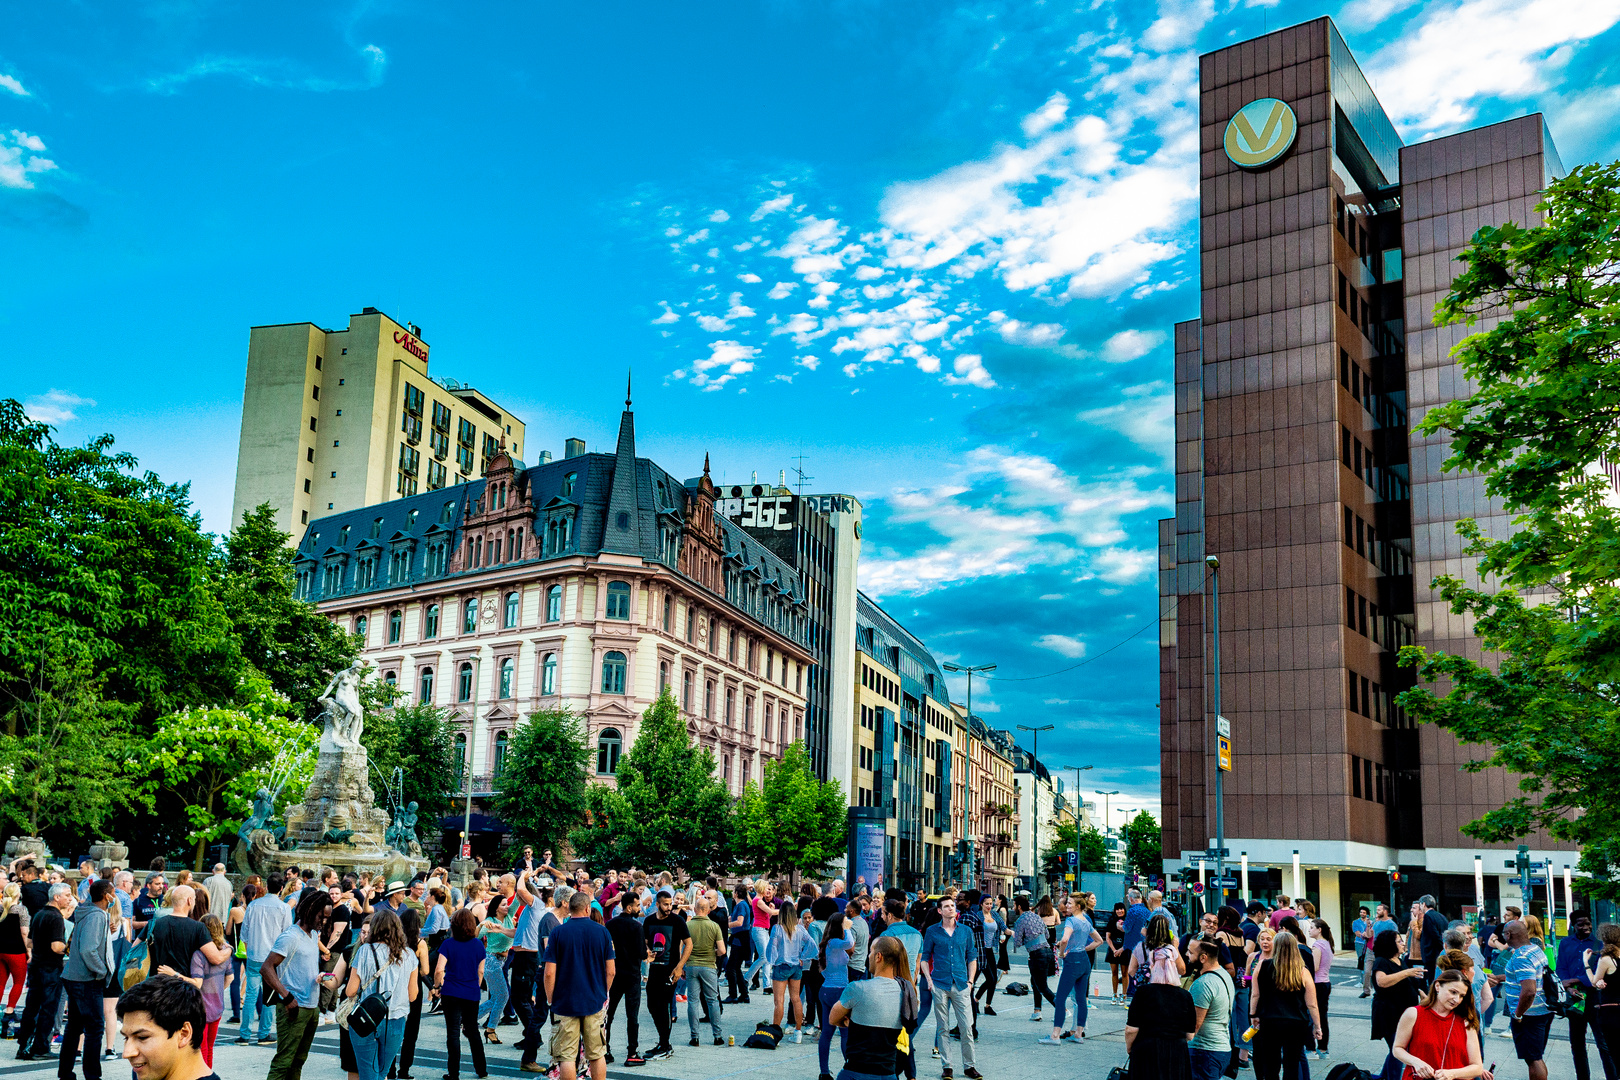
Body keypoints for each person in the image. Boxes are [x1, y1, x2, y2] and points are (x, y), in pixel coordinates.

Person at [259, 888, 332, 1080]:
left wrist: (320, 976)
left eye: (326, 918)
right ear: (309, 910)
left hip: (310, 1006)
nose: (323, 922)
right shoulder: (291, 936)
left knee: (298, 1060)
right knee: (283, 1062)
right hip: (293, 1008)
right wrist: (287, 996)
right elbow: (266, 968)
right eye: (320, 917)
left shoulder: (311, 935)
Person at [542, 890, 615, 1080]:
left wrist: (551, 999)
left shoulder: (558, 932)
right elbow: (611, 971)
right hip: (593, 1001)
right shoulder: (602, 932)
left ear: (570, 908)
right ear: (588, 908)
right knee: (597, 1054)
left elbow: (549, 972)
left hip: (565, 1002)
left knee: (566, 1056)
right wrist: (602, 992)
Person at [346, 908, 420, 1080]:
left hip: (366, 1019)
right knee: (382, 1072)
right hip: (395, 1020)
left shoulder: (364, 951)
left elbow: (350, 991)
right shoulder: (409, 956)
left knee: (367, 1072)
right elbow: (412, 996)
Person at [828, 935, 912, 1080]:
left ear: (878, 957)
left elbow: (833, 1018)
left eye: (871, 952)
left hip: (856, 1072)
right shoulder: (906, 992)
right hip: (888, 1073)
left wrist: (850, 1022)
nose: (869, 956)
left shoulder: (857, 988)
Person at [920, 896, 982, 1080]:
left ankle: (969, 1066)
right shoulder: (932, 931)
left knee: (966, 1027)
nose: (951, 909)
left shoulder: (965, 931)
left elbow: (972, 957)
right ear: (939, 911)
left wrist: (971, 982)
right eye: (946, 906)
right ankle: (947, 1067)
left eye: (952, 906)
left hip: (962, 984)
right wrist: (929, 980)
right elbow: (924, 957)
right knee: (942, 1027)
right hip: (940, 984)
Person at [117, 976, 222, 1080]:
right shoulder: (150, 1072)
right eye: (126, 1038)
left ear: (184, 1034)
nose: (127, 1053)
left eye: (142, 1037)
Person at [60, 877, 114, 1080]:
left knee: (74, 1027)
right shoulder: (96, 915)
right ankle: (92, 1075)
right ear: (106, 896)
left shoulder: (89, 913)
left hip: (76, 977)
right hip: (86, 979)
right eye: (113, 893)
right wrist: (100, 971)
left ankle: (65, 1073)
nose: (115, 897)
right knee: (94, 1028)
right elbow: (88, 949)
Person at [1249, 930, 1320, 1080]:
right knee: (1292, 1064)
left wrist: (1253, 1015)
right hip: (1296, 1022)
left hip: (1269, 1020)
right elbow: (1312, 1003)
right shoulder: (1302, 971)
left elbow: (1255, 994)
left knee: (1271, 1064)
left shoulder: (1262, 965)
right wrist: (1317, 1026)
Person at [1391, 969, 1487, 1080]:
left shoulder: (1465, 1021)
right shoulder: (1413, 1014)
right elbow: (1397, 1048)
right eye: (1453, 992)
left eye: (1461, 996)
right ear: (1437, 986)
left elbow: (1477, 1067)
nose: (1456, 999)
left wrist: (1452, 1074)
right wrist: (1416, 1062)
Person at [15, 882, 71, 1061]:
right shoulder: (56, 918)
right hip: (50, 968)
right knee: (48, 1008)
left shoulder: (39, 914)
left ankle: (24, 1044)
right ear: (57, 897)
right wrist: (69, 947)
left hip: (36, 967)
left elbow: (29, 942)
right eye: (67, 895)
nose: (70, 899)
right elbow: (56, 947)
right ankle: (40, 1047)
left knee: (31, 1007)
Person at [1560, 913, 1617, 1080]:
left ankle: (1612, 1077)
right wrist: (1568, 987)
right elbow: (1561, 967)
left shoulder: (1599, 944)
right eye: (1580, 924)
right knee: (1577, 1045)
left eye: (1588, 924)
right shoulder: (1565, 943)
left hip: (1595, 998)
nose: (1585, 927)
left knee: (1603, 1044)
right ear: (1572, 925)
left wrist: (1575, 980)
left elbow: (1602, 972)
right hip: (1575, 999)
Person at [238, 872, 293, 1046]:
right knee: (270, 996)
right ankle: (264, 1033)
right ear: (281, 888)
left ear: (267, 886)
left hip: (254, 955)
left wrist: (250, 950)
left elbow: (244, 933)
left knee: (250, 995)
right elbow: (287, 935)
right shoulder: (284, 908)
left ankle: (244, 1034)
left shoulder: (253, 905)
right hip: (273, 957)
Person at [434, 907, 487, 1080]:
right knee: (473, 1031)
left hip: (451, 992)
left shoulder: (448, 944)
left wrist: (437, 986)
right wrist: (475, 986)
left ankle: (453, 1073)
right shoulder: (479, 944)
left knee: (453, 1032)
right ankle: (481, 1069)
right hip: (471, 992)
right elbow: (481, 972)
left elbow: (439, 970)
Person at [1042, 893, 1103, 1044]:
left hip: (1072, 961)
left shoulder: (1071, 920)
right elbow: (1099, 940)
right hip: (1084, 961)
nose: (1067, 906)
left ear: (1078, 906)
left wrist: (1062, 953)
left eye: (1069, 903)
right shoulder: (1086, 921)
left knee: (1060, 998)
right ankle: (1078, 1034)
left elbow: (1064, 939)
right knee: (1081, 999)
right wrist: (1084, 948)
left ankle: (1055, 1036)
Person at [1125, 958, 1197, 1080]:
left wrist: (1130, 1048)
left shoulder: (1143, 992)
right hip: (1176, 1052)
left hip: (1146, 1050)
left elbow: (1131, 1030)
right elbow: (1190, 1035)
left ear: (1153, 968)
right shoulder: (1185, 996)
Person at [1501, 919, 1554, 1080]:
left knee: (1533, 1059)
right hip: (1543, 1010)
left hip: (1529, 1015)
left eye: (1504, 933)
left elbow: (1529, 991)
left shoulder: (1521, 957)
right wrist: (1499, 977)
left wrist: (1518, 1014)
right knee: (1536, 1056)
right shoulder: (1535, 950)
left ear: (1508, 935)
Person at [642, 888, 690, 1059]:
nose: (669, 907)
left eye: (670, 904)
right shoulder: (648, 921)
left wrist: (679, 967)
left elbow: (689, 944)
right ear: (657, 904)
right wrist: (647, 951)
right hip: (655, 969)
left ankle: (665, 1045)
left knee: (665, 1006)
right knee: (651, 1004)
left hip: (671, 970)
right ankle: (663, 1041)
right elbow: (646, 943)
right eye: (665, 904)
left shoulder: (677, 920)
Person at [604, 891, 645, 1067]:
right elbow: (642, 953)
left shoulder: (610, 925)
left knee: (608, 1015)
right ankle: (632, 1052)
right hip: (632, 975)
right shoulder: (637, 927)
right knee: (632, 1016)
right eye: (637, 905)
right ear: (629, 907)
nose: (639, 908)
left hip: (614, 974)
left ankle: (605, 1050)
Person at [816, 912, 857, 1080]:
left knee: (827, 1031)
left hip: (827, 990)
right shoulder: (834, 943)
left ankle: (824, 1072)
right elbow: (850, 942)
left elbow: (824, 969)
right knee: (845, 1032)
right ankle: (850, 1068)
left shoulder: (829, 945)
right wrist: (847, 928)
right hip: (838, 991)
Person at [1189, 937, 1236, 1080]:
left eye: (1190, 953)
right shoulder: (1224, 974)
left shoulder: (1203, 984)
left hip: (1204, 1051)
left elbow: (1194, 1025)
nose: (1186, 955)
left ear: (1203, 958)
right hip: (1221, 1048)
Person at [1373, 928, 1427, 1049]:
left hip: (1402, 1011)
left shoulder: (1400, 960)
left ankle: (1388, 1069)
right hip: (1389, 1013)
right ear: (1390, 945)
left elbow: (1406, 982)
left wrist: (1420, 993)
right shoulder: (1381, 961)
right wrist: (1407, 972)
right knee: (1398, 1050)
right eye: (1399, 942)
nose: (1403, 944)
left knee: (1396, 1052)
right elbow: (1382, 982)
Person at [767, 899, 812, 1043]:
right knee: (796, 999)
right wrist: (803, 957)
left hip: (781, 965)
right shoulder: (800, 929)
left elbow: (772, 949)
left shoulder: (777, 929)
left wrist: (772, 961)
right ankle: (798, 1032)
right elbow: (812, 944)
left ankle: (775, 1033)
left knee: (779, 1001)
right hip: (796, 966)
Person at [685, 893, 726, 1048]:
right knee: (712, 1000)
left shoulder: (687, 925)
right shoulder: (714, 926)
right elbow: (722, 950)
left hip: (691, 965)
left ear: (695, 909)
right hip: (709, 966)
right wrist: (712, 952)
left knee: (693, 1001)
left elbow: (680, 949)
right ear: (708, 911)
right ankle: (717, 1036)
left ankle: (694, 1037)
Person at [476, 893, 514, 1047]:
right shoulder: (490, 921)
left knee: (497, 998)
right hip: (491, 961)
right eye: (504, 904)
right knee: (503, 996)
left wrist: (527, 875)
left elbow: (517, 899)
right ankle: (490, 1029)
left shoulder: (509, 916)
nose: (507, 907)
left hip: (501, 961)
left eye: (507, 904)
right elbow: (475, 936)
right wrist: (481, 924)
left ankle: (469, 1019)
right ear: (496, 908)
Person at [1011, 895, 1055, 1022]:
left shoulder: (1020, 921)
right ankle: (1037, 1011)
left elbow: (1017, 943)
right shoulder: (1036, 917)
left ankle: (1062, 1010)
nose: (1013, 908)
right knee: (1035, 982)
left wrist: (1016, 935)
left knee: (1042, 986)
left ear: (1019, 906)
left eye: (1014, 905)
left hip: (1036, 954)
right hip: (1047, 952)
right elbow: (1046, 934)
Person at [1586, 923, 1620, 1069]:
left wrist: (1586, 963)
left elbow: (1594, 982)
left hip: (1610, 1012)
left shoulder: (1606, 959)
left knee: (1615, 1052)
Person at [0, 883, 28, 1039]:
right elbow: (24, 933)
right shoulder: (21, 910)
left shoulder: (0, 908)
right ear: (19, 894)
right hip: (16, 950)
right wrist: (29, 951)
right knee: (18, 982)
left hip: (1, 950)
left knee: (1, 982)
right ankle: (9, 1011)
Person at [1307, 919, 1336, 1058]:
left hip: (1316, 983)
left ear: (1319, 930)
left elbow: (1315, 967)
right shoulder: (1328, 944)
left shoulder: (1318, 945)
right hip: (1325, 982)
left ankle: (1311, 1049)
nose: (1309, 930)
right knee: (1322, 1017)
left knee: (1311, 1015)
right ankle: (1323, 1049)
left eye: (1312, 927)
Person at [747, 881, 780, 994]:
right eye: (766, 888)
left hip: (764, 929)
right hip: (759, 930)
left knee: (766, 958)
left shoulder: (759, 901)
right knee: (764, 957)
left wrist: (771, 909)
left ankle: (767, 986)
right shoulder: (758, 900)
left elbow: (768, 915)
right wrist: (782, 910)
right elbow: (771, 912)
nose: (767, 890)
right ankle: (746, 978)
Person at [1366, 904, 1400, 997]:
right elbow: (1369, 935)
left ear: (1385, 911)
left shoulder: (1391, 924)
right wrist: (1368, 926)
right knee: (1374, 972)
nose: (1377, 911)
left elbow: (1396, 938)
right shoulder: (1376, 923)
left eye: (1379, 910)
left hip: (1387, 953)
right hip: (1376, 952)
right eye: (1377, 909)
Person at [1416, 896, 1450, 980]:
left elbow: (1434, 935)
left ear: (1423, 904)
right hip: (1440, 952)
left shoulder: (1427, 917)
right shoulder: (1442, 916)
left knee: (1432, 979)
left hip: (1431, 954)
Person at [1105, 901, 1130, 1004]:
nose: (1120, 911)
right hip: (1113, 949)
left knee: (1125, 973)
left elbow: (1130, 937)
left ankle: (1124, 994)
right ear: (1115, 911)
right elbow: (1108, 937)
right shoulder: (1111, 921)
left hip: (1125, 948)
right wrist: (1114, 950)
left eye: (1121, 908)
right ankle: (1114, 994)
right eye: (1117, 909)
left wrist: (1122, 948)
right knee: (1114, 972)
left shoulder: (1128, 920)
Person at [1353, 907, 1373, 972]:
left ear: (1367, 914)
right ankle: (1362, 980)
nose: (1362, 914)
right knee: (1361, 960)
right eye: (1361, 912)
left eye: (1364, 912)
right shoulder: (1355, 922)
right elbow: (1357, 933)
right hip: (1359, 943)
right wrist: (1365, 935)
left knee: (1368, 960)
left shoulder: (1371, 922)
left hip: (1368, 944)